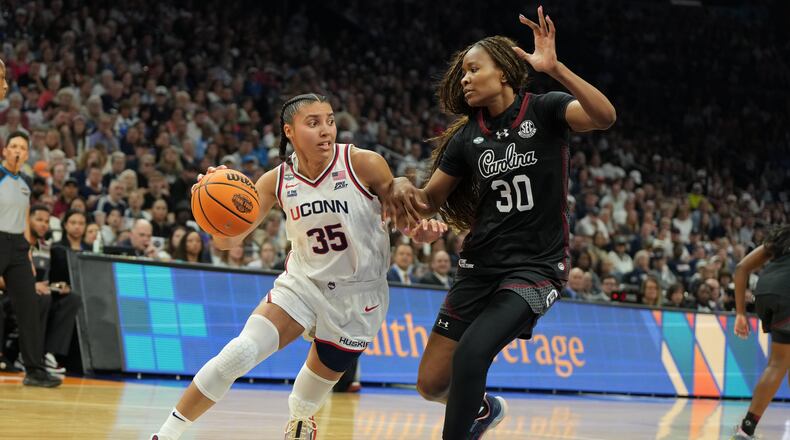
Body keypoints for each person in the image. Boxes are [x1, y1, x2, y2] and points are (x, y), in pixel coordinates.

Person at [151, 93, 445, 440]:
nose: (326, 130)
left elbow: (404, 220)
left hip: (359, 296)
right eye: (314, 122)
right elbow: (229, 242)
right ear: (289, 131)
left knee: (304, 399)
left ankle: (301, 419)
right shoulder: (275, 180)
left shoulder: (363, 163)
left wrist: (420, 230)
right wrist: (215, 213)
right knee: (240, 352)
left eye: (330, 120)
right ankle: (166, 434)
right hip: (302, 284)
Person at [385, 8, 615, 438]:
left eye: (475, 69)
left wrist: (555, 68)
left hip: (535, 268)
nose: (465, 79)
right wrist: (398, 183)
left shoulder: (545, 110)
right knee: (431, 383)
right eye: (463, 74)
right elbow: (430, 199)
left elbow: (604, 117)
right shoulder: (465, 138)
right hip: (479, 267)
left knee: (472, 355)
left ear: (505, 72)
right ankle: (483, 409)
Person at [0, 128, 62, 387]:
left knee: (29, 307)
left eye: (22, 148)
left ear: (26, 154)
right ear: (5, 150)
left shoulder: (25, 184)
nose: (17, 151)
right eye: (13, 146)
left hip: (17, 248)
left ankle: (35, 371)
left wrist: (27, 252)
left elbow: (25, 222)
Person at [731, 225, 790, 440]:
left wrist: (740, 313)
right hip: (787, 292)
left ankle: (746, 429)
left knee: (781, 361)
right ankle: (746, 430)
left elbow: (741, 267)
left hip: (766, 291)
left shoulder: (783, 236)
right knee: (780, 363)